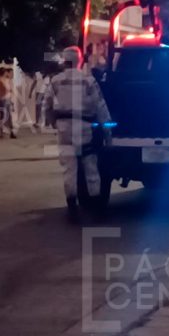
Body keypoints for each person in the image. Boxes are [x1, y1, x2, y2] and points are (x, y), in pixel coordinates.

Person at [45, 46, 112, 221]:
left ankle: (72, 209)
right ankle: (98, 210)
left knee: (69, 169)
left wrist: (52, 122)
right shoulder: (88, 81)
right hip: (84, 128)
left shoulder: (55, 81)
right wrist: (107, 132)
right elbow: (100, 106)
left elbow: (46, 105)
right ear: (80, 61)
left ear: (64, 62)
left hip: (64, 128)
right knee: (91, 168)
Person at [0, 68, 16, 139]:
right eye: (6, 73)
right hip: (4, 100)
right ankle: (6, 132)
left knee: (4, 116)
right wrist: (8, 91)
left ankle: (5, 133)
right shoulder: (0, 81)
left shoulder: (5, 81)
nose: (8, 74)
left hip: (5, 100)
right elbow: (1, 92)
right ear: (4, 73)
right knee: (5, 116)